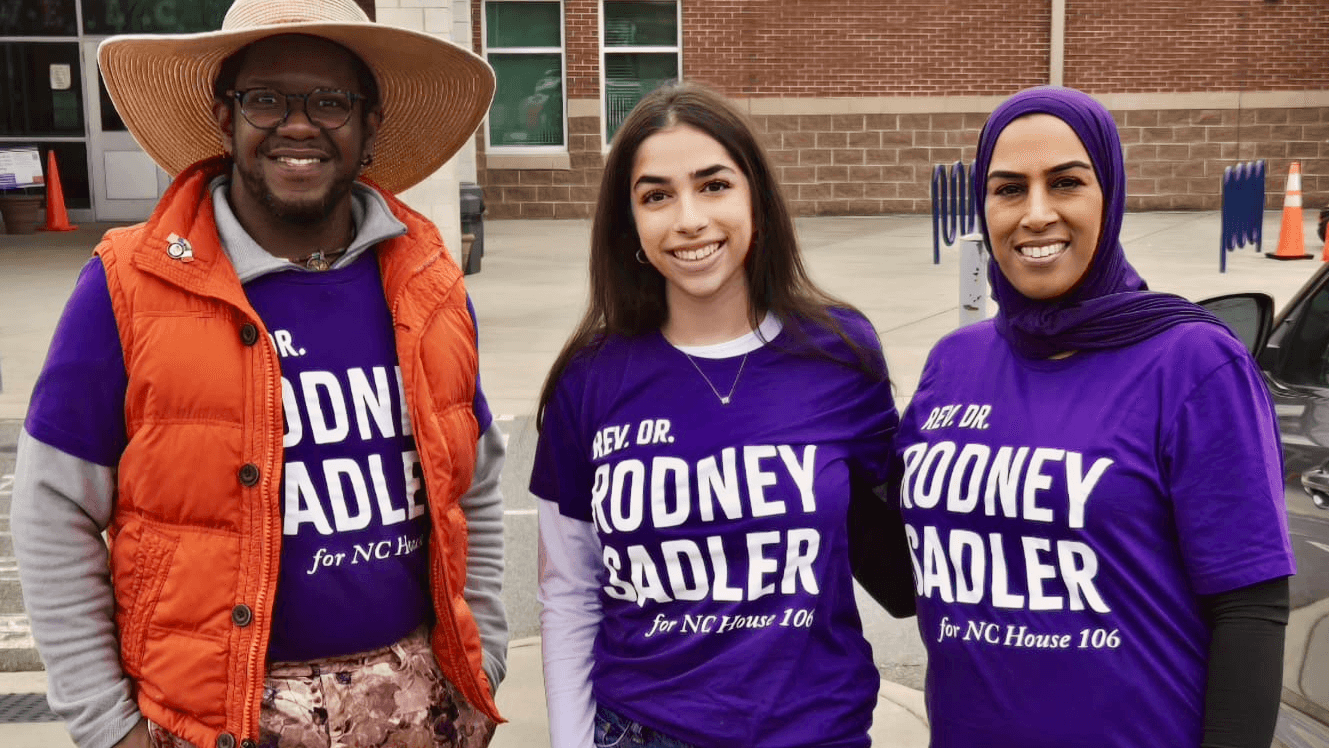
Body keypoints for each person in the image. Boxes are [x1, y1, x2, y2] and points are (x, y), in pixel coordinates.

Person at [10, 1, 508, 747]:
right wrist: (108, 728)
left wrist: (484, 664)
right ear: (225, 117)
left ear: (369, 126)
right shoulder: (127, 287)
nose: (298, 126)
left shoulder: (426, 283)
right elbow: (53, 514)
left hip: (415, 705)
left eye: (331, 101)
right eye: (267, 99)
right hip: (219, 719)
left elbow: (474, 486)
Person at [891, 86, 1296, 748]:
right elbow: (914, 573)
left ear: (1108, 194)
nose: (1036, 213)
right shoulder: (953, 363)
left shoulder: (1193, 364)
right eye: (1008, 189)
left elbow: (1249, 605)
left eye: (1065, 183)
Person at [531, 82, 915, 748]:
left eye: (712, 186)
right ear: (630, 226)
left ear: (755, 201)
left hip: (814, 730)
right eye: (656, 195)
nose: (687, 219)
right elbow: (568, 594)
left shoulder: (841, 352)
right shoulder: (587, 379)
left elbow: (907, 547)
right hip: (643, 731)